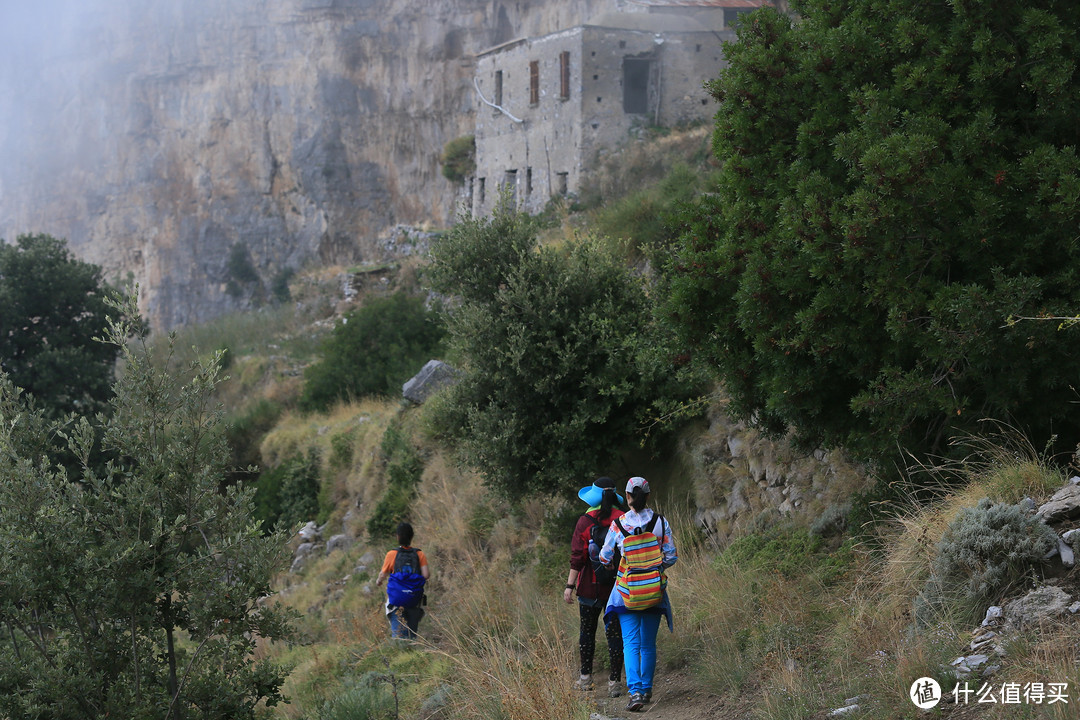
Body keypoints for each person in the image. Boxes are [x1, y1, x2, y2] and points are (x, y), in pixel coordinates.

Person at [599, 476, 677, 712]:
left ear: (628, 497)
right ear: (648, 496)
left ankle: (635, 693)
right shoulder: (660, 522)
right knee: (648, 644)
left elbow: (604, 555)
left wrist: (612, 563)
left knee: (630, 643)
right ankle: (646, 688)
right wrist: (654, 568)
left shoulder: (618, 524)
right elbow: (671, 556)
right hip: (654, 589)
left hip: (626, 592)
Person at [563, 476, 625, 697]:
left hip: (589, 587)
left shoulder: (584, 521)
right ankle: (615, 682)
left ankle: (586, 679)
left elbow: (577, 557)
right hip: (617, 589)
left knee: (587, 632)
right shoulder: (623, 518)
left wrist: (570, 585)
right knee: (615, 634)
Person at [375, 522, 431, 639]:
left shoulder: (392, 554)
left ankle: (401, 653)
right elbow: (426, 575)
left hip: (396, 601)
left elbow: (383, 574)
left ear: (398, 536)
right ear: (411, 536)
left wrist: (379, 581)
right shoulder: (419, 554)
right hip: (414, 600)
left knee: (399, 637)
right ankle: (411, 655)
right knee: (412, 636)